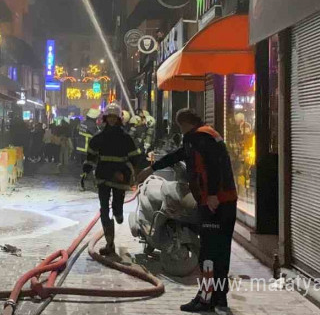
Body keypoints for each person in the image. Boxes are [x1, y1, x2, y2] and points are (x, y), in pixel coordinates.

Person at [137, 108, 237, 314]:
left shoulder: (197, 138)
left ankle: (205, 300)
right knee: (220, 253)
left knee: (208, 254)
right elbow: (179, 155)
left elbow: (214, 167)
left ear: (184, 123)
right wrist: (152, 168)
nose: (180, 131)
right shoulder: (207, 134)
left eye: (180, 126)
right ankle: (220, 299)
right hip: (227, 202)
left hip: (214, 204)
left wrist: (211, 195)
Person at [82, 103, 140, 256]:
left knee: (117, 208)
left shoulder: (126, 138)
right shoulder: (99, 138)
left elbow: (135, 157)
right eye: (110, 117)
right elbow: (91, 157)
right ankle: (109, 244)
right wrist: (86, 172)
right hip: (103, 176)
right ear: (106, 118)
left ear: (119, 119)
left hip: (119, 176)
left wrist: (136, 173)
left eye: (115, 117)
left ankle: (118, 214)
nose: (112, 120)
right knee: (104, 209)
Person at [76, 109, 101, 189]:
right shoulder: (92, 126)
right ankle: (96, 184)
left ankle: (82, 184)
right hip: (89, 150)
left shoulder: (82, 124)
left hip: (80, 150)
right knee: (94, 166)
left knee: (84, 168)